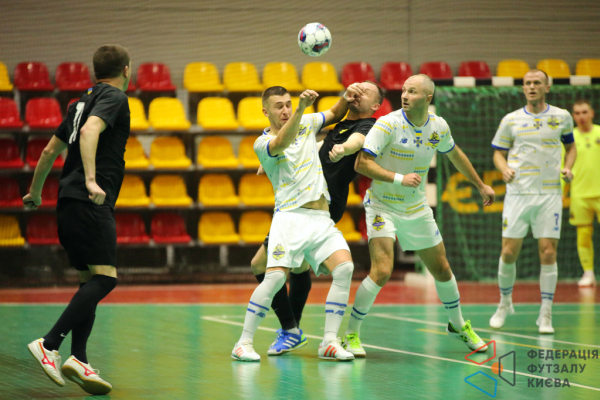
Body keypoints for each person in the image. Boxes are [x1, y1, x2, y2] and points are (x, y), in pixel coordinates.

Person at [347, 74, 495, 358]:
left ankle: (457, 324)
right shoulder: (387, 123)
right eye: (404, 90)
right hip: (382, 205)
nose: (405, 95)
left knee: (442, 268)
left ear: (428, 98)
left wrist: (480, 185)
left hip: (416, 208)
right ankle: (351, 334)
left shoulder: (438, 126)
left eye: (412, 91)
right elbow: (362, 164)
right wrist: (399, 178)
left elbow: (455, 154)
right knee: (382, 270)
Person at [24, 44, 131, 395]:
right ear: (126, 70)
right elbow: (89, 133)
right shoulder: (114, 97)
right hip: (89, 202)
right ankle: (49, 344)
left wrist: (34, 192)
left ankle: (79, 359)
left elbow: (48, 151)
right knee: (106, 279)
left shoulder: (78, 104)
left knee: (90, 281)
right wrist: (91, 180)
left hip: (67, 203)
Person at [231, 83, 364, 362]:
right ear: (265, 111)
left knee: (345, 268)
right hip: (289, 218)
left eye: (288, 104)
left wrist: (346, 97)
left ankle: (329, 342)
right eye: (278, 106)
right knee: (275, 277)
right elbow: (281, 143)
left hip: (321, 219)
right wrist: (301, 110)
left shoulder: (306, 122)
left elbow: (334, 113)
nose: (285, 110)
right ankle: (243, 343)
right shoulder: (262, 142)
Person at [489, 69, 576, 334]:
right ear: (523, 88)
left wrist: (568, 167)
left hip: (549, 194)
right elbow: (498, 153)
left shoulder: (562, 117)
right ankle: (504, 303)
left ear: (547, 87)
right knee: (508, 252)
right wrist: (504, 168)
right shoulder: (511, 120)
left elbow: (571, 147)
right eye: (527, 83)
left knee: (548, 252)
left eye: (537, 82)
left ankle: (545, 313)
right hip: (518, 194)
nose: (531, 87)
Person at [570, 99, 600, 287]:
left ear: (592, 113)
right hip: (579, 194)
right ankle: (588, 273)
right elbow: (563, 165)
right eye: (577, 113)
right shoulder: (569, 137)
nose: (581, 116)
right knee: (583, 234)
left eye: (584, 112)